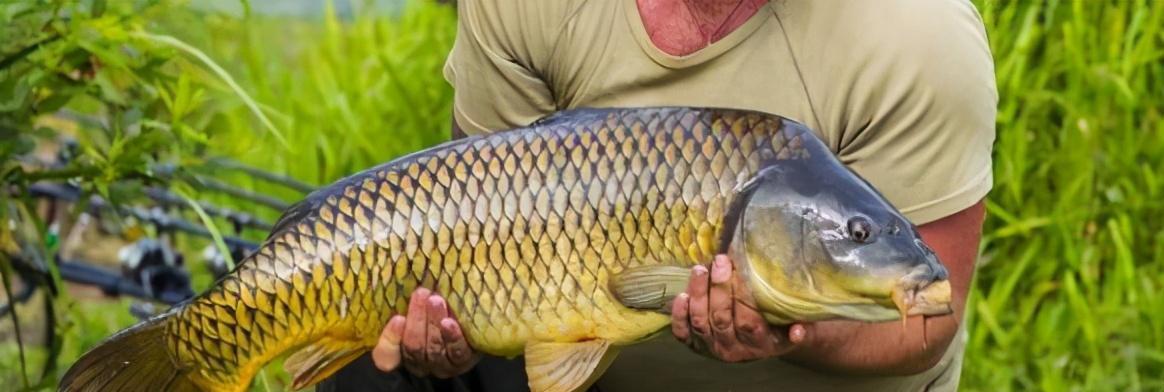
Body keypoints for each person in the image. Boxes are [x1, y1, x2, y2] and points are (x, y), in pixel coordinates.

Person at [319, 0, 996, 390]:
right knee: (375, 373)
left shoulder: (916, 34)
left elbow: (929, 315)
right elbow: (476, 209)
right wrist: (460, 319)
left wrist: (790, 328)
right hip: (593, 371)